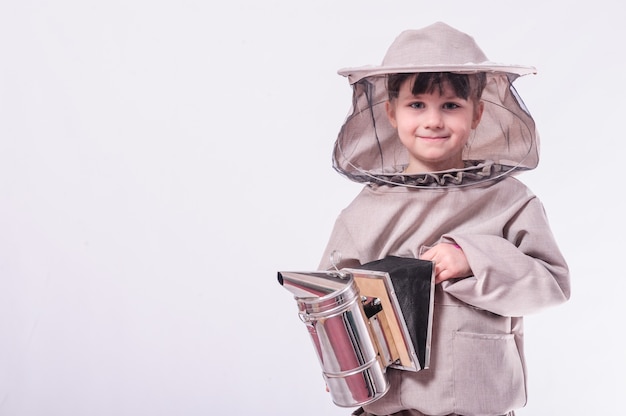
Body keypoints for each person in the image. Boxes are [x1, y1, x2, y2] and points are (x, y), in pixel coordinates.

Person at [317, 22, 571, 416]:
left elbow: (551, 285)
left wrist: (474, 258)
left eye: (450, 105)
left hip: (479, 402)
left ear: (477, 114)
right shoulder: (363, 212)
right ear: (390, 113)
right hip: (390, 407)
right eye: (417, 104)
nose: (433, 120)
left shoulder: (510, 200)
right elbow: (330, 303)